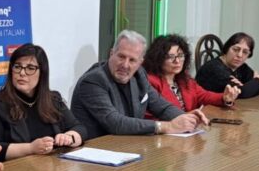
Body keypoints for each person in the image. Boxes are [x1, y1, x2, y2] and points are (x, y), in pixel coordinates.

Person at [71, 30, 208, 139]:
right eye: (121, 57)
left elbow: (161, 106)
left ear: (140, 62)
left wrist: (186, 118)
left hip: (127, 146)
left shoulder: (139, 75)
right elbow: (115, 123)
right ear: (111, 53)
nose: (125, 65)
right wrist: (167, 126)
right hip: (96, 151)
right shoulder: (93, 81)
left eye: (132, 60)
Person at [0, 44, 84, 161]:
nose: (22, 73)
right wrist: (30, 148)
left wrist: (69, 137)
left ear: (42, 73)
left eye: (30, 68)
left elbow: (79, 128)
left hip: (53, 166)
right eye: (17, 67)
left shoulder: (53, 99)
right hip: (17, 168)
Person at [142, 34, 240, 115]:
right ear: (158, 58)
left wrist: (224, 98)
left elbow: (204, 96)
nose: (177, 61)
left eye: (180, 56)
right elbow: (149, 116)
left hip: (188, 127)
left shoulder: (184, 78)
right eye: (170, 57)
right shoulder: (150, 81)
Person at [195, 32, 259, 98]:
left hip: (229, 105)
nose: (240, 55)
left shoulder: (242, 67)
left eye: (245, 52)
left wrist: (249, 87)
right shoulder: (214, 68)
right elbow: (242, 93)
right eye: (235, 49)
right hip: (205, 107)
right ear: (227, 49)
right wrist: (258, 80)